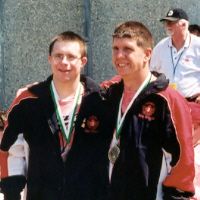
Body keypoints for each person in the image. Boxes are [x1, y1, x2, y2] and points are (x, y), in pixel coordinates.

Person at [0, 31, 114, 200]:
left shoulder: (100, 101)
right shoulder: (28, 100)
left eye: (71, 56)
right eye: (58, 56)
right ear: (49, 59)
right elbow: (9, 149)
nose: (64, 62)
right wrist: (12, 191)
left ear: (83, 61)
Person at [104, 21, 194, 200]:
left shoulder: (168, 100)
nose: (119, 56)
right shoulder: (110, 94)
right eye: (115, 48)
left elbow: (182, 165)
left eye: (127, 49)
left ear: (147, 54)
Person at [150, 8, 200, 199]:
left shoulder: (198, 45)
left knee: (189, 148)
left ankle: (186, 190)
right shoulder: (161, 47)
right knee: (167, 148)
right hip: (167, 104)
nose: (167, 26)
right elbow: (151, 72)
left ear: (184, 24)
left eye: (171, 22)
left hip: (192, 105)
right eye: (166, 22)